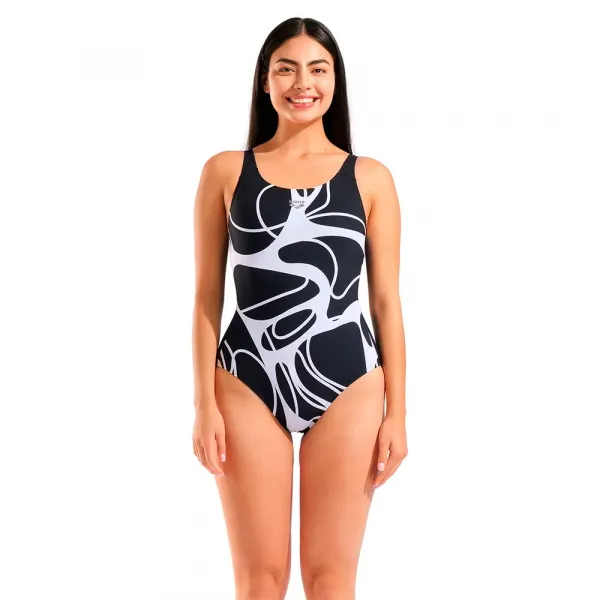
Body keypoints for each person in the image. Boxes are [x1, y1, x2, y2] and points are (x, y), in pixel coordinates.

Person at [192, 16, 407, 600]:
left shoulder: (370, 178)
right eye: (286, 69)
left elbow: (386, 301)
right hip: (246, 377)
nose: (302, 83)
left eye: (318, 69)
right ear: (265, 80)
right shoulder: (225, 172)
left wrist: (398, 412)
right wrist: (203, 404)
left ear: (336, 80)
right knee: (260, 580)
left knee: (330, 580)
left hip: (349, 383)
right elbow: (207, 296)